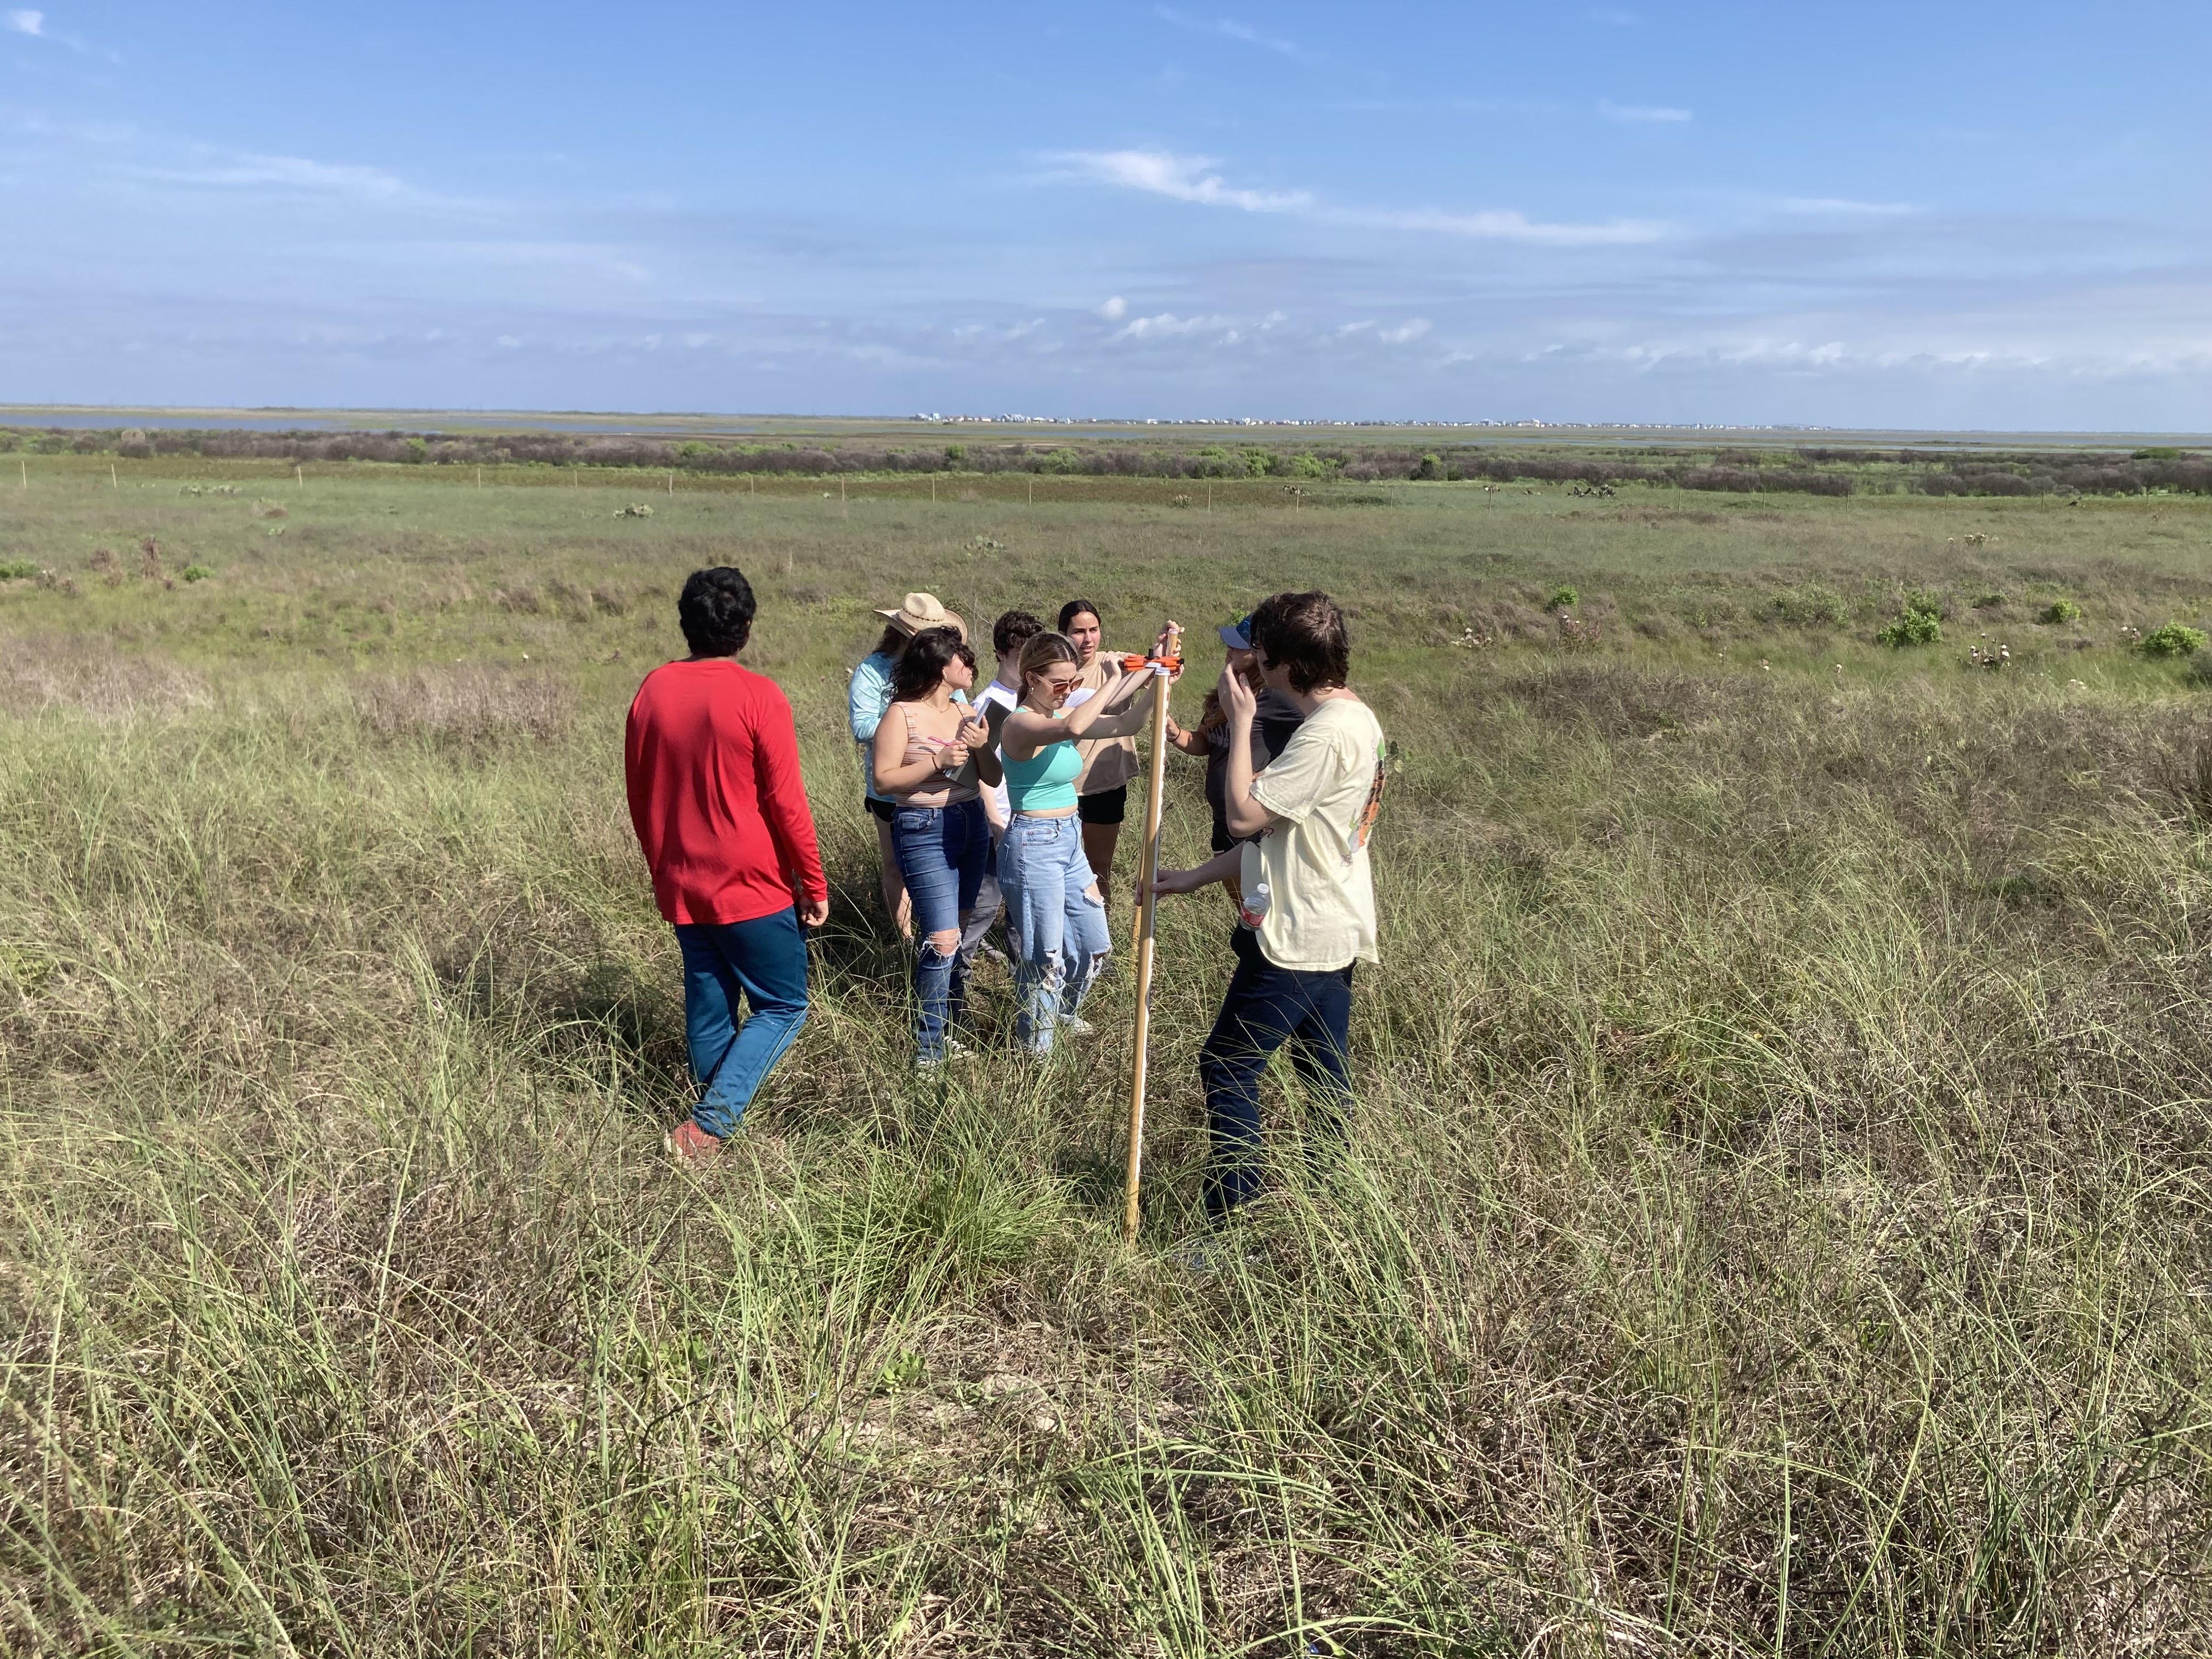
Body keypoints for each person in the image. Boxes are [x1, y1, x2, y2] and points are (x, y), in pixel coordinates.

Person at [1149, 591, 1385, 1220]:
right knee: (1322, 1073)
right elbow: (1289, 834)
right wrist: (1198, 876)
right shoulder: (1355, 719)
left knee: (1227, 1066)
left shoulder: (1328, 733)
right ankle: (1335, 1200)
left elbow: (1246, 816)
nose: (1252, 659)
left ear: (1283, 660)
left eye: (1261, 649)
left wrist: (1243, 721)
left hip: (1297, 934)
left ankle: (1231, 1226)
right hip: (1331, 927)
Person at [625, 566, 828, 1164]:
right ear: (745, 628)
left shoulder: (653, 689)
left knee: (711, 1006)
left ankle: (707, 1125)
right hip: (751, 885)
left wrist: (662, 869)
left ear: (687, 625)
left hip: (684, 881)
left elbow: (640, 794)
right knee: (784, 1005)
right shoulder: (758, 695)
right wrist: (812, 882)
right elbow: (786, 803)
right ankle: (708, 1128)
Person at [997, 629, 1158, 1052]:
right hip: (1034, 845)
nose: (1067, 692)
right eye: (1060, 684)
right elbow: (1077, 722)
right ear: (1031, 679)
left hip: (1068, 841)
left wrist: (1158, 682)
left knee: (1093, 947)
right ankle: (1036, 1057)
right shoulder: (1021, 724)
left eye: (1073, 684)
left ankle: (1061, 1016)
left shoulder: (1056, 721)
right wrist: (1113, 679)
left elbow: (1128, 723)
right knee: (1044, 957)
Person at [871, 625, 1001, 1069]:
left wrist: (983, 748)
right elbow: (884, 780)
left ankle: (952, 1024)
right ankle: (928, 1050)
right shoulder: (901, 714)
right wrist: (936, 762)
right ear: (940, 667)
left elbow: (993, 778)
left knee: (957, 938)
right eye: (961, 657)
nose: (970, 664)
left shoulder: (966, 709)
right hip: (923, 826)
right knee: (942, 940)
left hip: (970, 822)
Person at [1161, 612, 1308, 899]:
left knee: (1261, 909)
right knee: (1242, 909)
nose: (1229, 651)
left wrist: (1273, 771)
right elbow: (1204, 743)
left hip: (1254, 819)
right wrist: (1176, 733)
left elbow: (1315, 731)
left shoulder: (1274, 697)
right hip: (1223, 819)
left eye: (1239, 647)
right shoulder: (1227, 691)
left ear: (1259, 654)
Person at [850, 593, 967, 937]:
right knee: (895, 865)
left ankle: (943, 931)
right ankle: (905, 936)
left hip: (940, 784)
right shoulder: (873, 670)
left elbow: (960, 709)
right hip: (892, 788)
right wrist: (911, 725)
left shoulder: (944, 668)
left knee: (946, 862)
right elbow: (862, 726)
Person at [959, 609, 1046, 968]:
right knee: (984, 906)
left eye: (1031, 656)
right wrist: (995, 821)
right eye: (1016, 655)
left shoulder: (1037, 702)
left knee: (1026, 913)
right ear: (999, 654)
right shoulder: (988, 705)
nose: (1024, 664)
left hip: (1032, 820)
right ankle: (950, 985)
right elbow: (977, 771)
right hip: (999, 823)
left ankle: (1026, 988)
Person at [1058, 599, 1141, 907]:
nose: (1088, 638)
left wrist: (1162, 653)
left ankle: (1099, 939)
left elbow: (1147, 666)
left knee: (1098, 868)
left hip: (1105, 780)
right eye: (1078, 632)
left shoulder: (1113, 662)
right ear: (1063, 633)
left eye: (1094, 630)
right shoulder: (1057, 671)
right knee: (1062, 868)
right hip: (1063, 783)